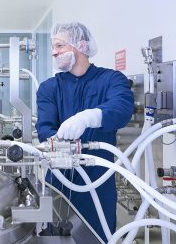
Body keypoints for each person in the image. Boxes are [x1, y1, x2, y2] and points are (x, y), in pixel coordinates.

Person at [36, 22, 134, 242]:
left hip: (98, 181)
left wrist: (89, 117)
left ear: (80, 45)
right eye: (54, 47)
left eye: (59, 45)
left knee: (98, 236)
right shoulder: (49, 88)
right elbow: (44, 127)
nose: (54, 52)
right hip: (59, 179)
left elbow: (122, 107)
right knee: (56, 237)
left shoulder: (111, 79)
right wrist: (54, 140)